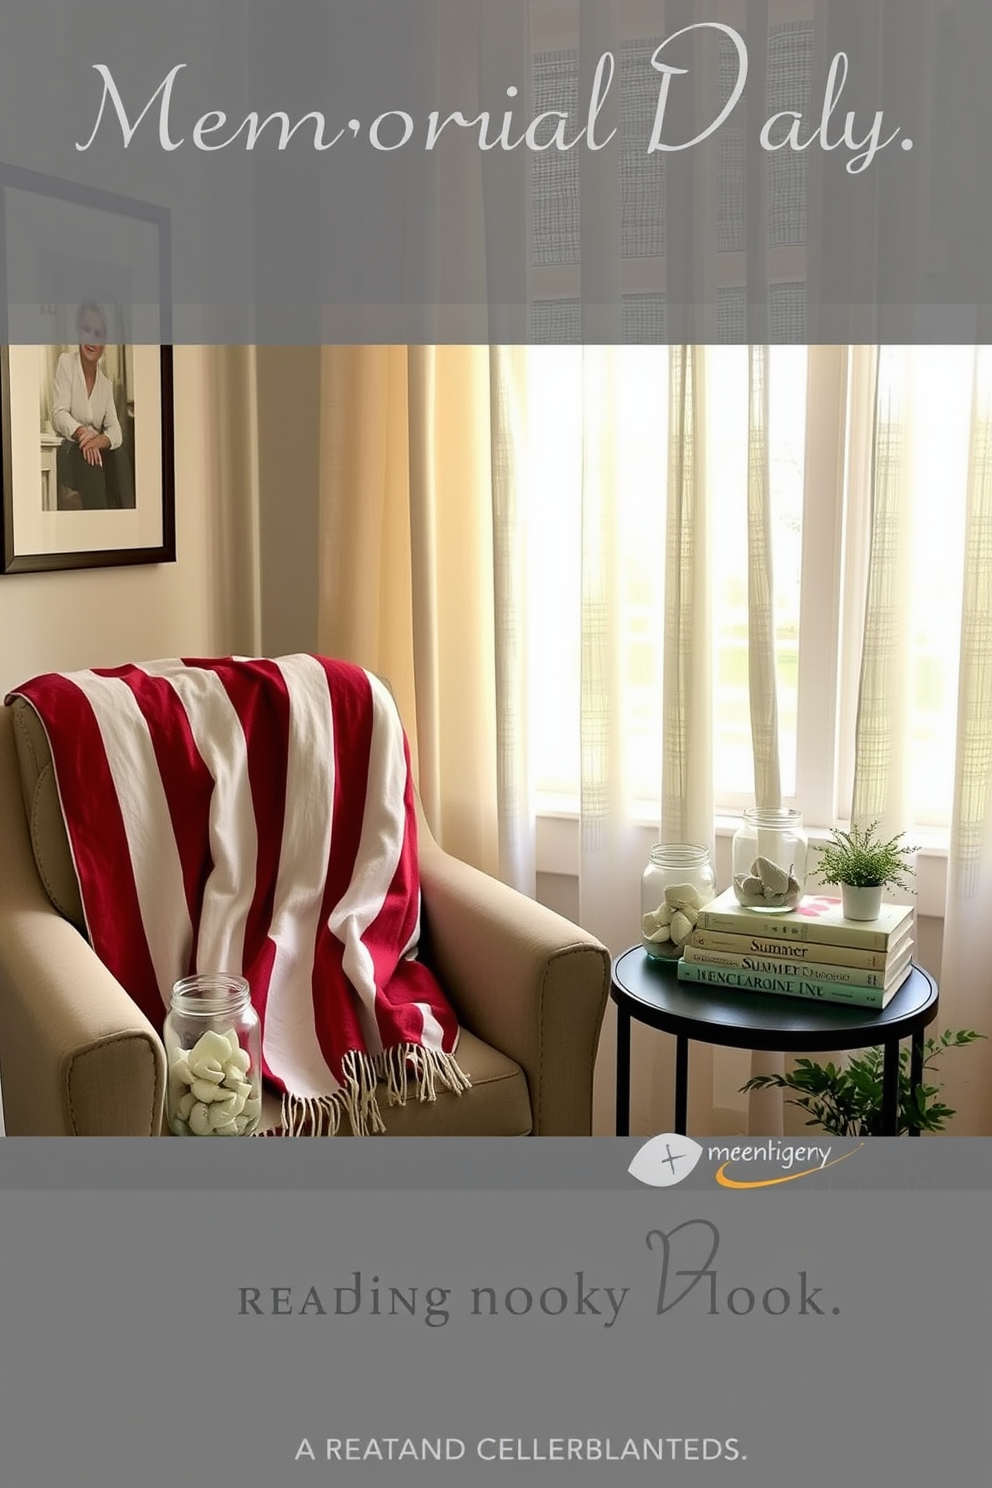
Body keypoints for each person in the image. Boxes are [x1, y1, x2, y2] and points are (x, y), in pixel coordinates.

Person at [51, 302, 133, 510]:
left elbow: (116, 430)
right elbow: (58, 413)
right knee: (92, 463)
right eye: (87, 330)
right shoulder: (66, 364)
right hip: (72, 452)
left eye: (98, 334)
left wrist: (100, 441)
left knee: (120, 456)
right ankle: (98, 530)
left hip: (96, 452)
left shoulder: (105, 384)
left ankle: (129, 522)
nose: (91, 339)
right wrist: (81, 433)